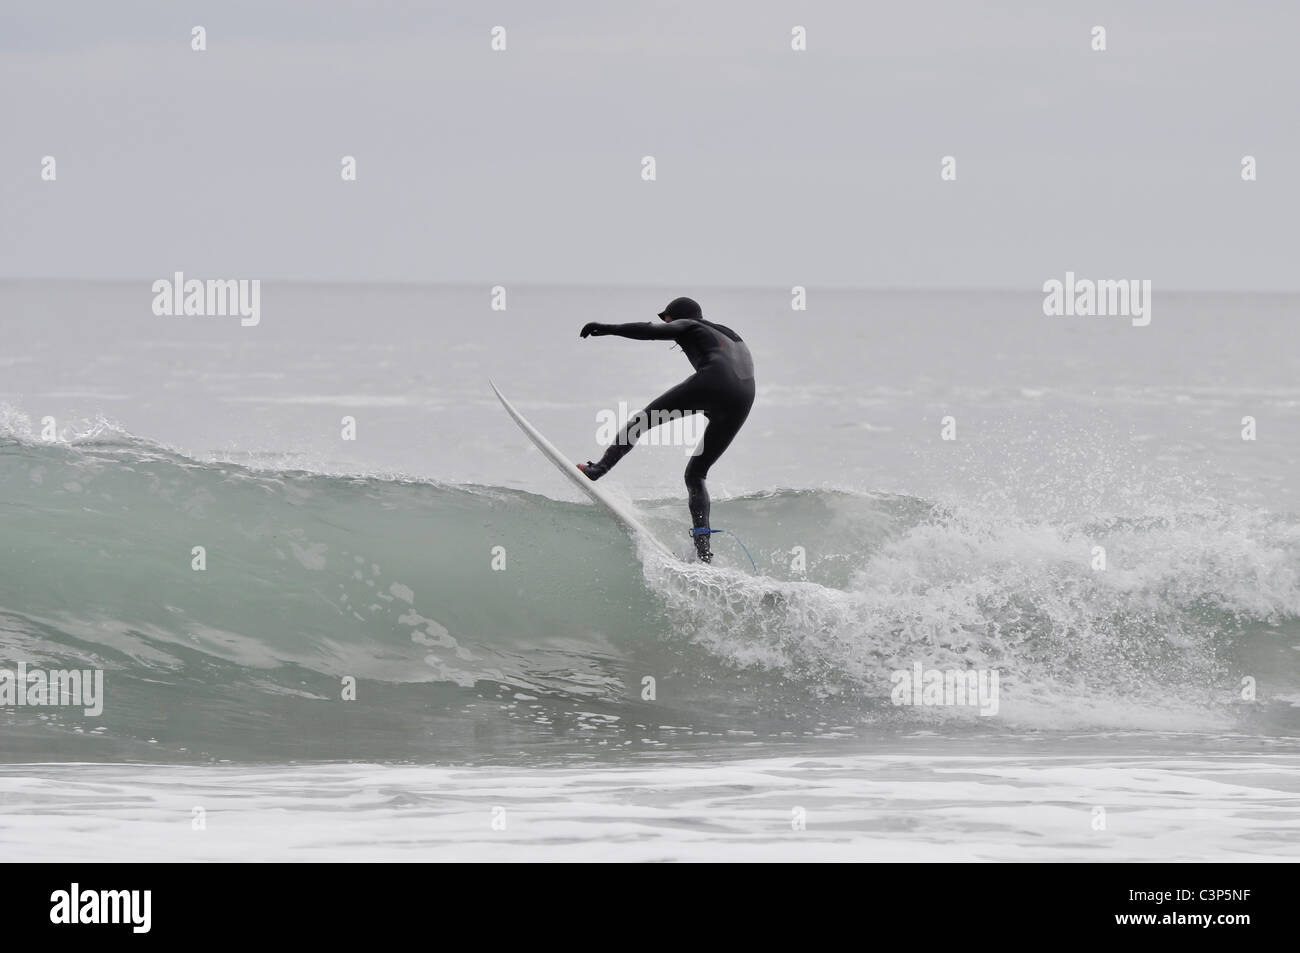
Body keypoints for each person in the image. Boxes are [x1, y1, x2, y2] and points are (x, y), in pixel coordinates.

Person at [578, 296, 755, 563]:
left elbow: (652, 331)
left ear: (676, 317)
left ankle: (596, 469)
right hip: (744, 396)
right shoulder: (729, 333)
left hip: (715, 382)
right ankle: (703, 552)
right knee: (696, 475)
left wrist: (608, 328)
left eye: (667, 318)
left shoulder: (690, 325)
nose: (667, 323)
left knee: (640, 422)